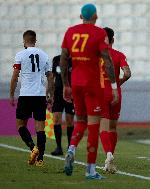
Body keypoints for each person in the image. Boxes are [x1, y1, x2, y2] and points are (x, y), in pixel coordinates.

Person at [60, 3, 118, 179]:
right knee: (93, 126)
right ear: (95, 16)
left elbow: (63, 58)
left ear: (80, 16)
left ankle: (71, 149)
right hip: (92, 85)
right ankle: (90, 170)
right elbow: (107, 60)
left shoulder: (70, 31)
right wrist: (114, 86)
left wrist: (65, 84)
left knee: (80, 120)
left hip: (75, 82)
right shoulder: (99, 32)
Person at [9, 30, 53, 167]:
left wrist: (11, 94)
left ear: (24, 41)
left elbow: (15, 76)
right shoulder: (44, 55)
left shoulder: (20, 55)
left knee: (20, 125)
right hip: (40, 95)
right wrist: (49, 94)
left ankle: (33, 148)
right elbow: (50, 76)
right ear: (35, 40)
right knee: (40, 128)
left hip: (26, 95)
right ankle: (40, 160)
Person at [99, 27, 131, 173]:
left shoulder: (96, 55)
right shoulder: (119, 55)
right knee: (113, 127)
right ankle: (110, 161)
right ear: (113, 40)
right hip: (115, 93)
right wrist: (118, 84)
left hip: (100, 93)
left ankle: (108, 154)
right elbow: (127, 73)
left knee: (103, 128)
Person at [50, 55, 74, 156]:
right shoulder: (56, 59)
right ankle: (58, 147)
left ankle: (70, 147)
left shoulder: (74, 60)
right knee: (56, 120)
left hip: (70, 94)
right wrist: (50, 93)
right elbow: (52, 77)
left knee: (69, 121)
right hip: (58, 94)